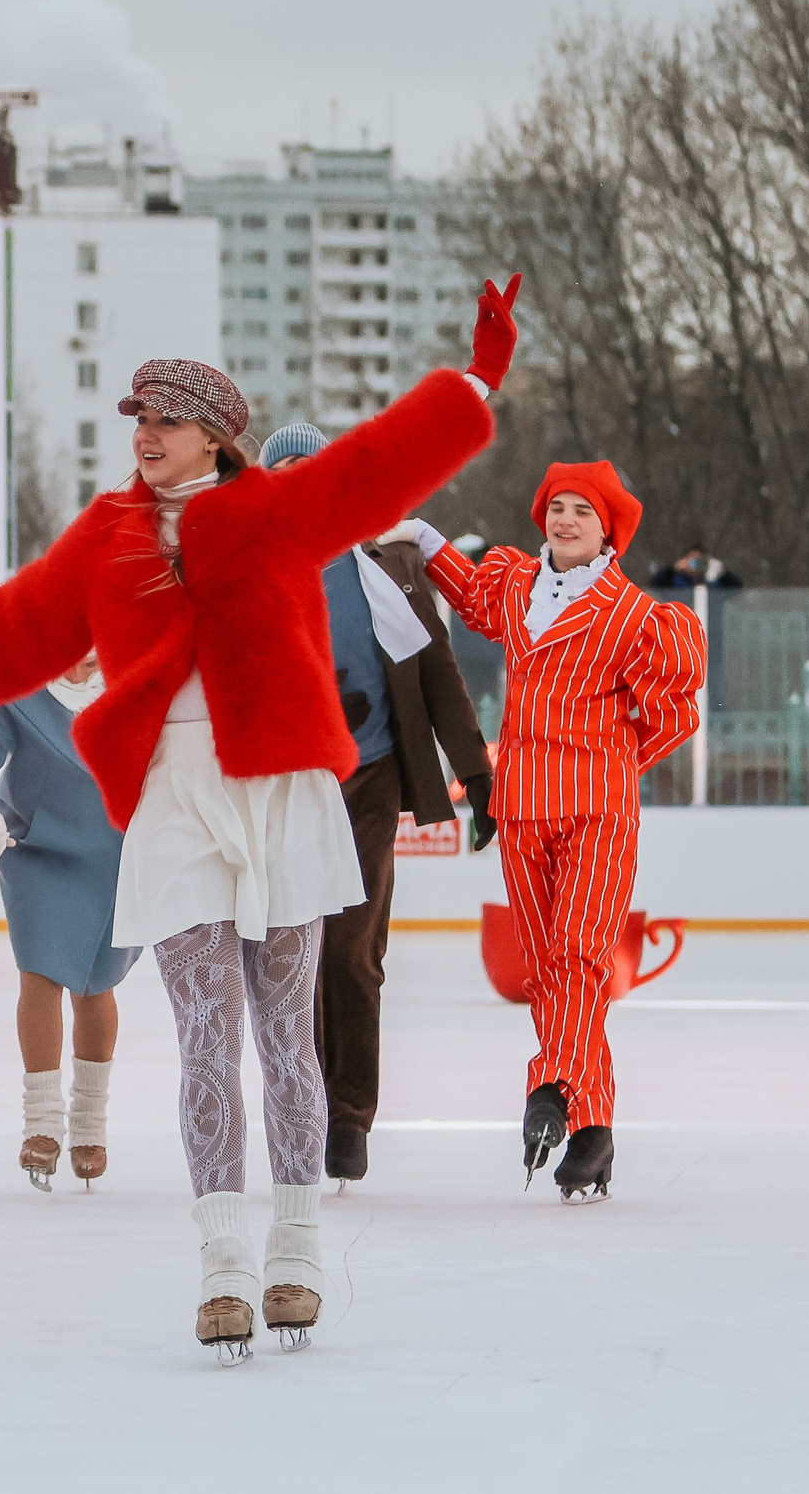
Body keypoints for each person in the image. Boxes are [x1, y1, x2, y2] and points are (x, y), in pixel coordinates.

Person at [0, 276, 524, 1360]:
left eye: (165, 419)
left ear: (214, 434)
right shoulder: (106, 534)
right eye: (138, 419)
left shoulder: (272, 510)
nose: (145, 435)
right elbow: (10, 630)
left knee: (285, 1033)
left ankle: (293, 1251)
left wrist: (477, 376)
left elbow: (381, 461)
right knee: (206, 1035)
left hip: (282, 788)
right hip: (174, 795)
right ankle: (220, 1268)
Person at [395, 460, 703, 1202]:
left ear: (608, 532)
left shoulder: (635, 618)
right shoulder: (516, 587)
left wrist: (612, 760)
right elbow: (469, 596)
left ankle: (551, 1091)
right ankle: (594, 1133)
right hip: (523, 809)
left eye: (582, 513)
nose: (565, 521)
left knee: (577, 957)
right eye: (557, 508)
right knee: (552, 973)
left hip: (597, 809)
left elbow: (674, 714)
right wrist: (426, 537)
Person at [257, 421, 496, 1186]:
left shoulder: (386, 564)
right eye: (283, 467)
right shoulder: (252, 568)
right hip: (288, 783)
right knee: (293, 951)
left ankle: (350, 1116)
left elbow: (438, 675)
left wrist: (478, 774)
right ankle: (305, 1102)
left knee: (351, 948)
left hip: (371, 776)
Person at [0, 651, 140, 1192]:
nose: (81, 672)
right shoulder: (13, 681)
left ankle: (90, 1122)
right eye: (70, 659)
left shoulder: (136, 680)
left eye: (92, 661)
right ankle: (40, 1122)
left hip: (114, 852)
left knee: (95, 983)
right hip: (36, 849)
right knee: (39, 973)